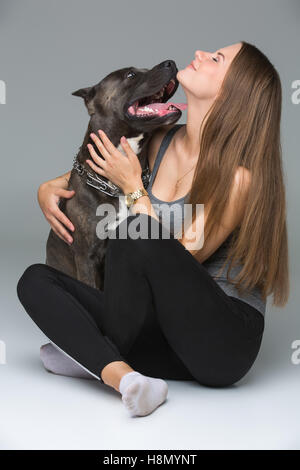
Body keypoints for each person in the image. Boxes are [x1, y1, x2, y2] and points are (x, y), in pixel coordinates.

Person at [17, 41, 289, 418]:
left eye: (217, 59)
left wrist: (134, 190)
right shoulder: (160, 141)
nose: (201, 54)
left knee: (133, 233)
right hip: (166, 341)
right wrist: (49, 186)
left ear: (233, 92)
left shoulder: (239, 179)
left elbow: (178, 258)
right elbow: (99, 170)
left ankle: (88, 351)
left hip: (221, 344)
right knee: (34, 281)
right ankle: (127, 378)